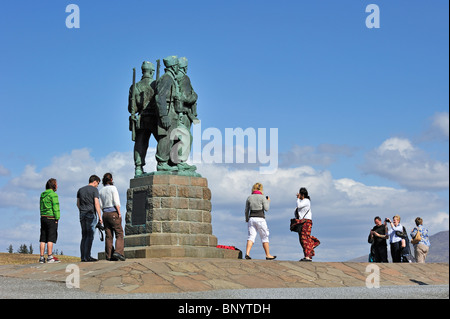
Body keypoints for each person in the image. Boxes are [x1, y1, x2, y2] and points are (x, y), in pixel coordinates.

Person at [128, 61, 158, 176]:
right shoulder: (156, 84)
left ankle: (138, 167)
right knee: (162, 141)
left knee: (140, 144)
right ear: (152, 71)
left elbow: (132, 109)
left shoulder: (135, 86)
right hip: (154, 119)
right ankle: (162, 163)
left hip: (141, 119)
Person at [244, 183, 276, 260]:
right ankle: (268, 254)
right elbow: (266, 209)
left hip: (251, 218)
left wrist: (247, 218)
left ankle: (247, 253)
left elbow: (246, 210)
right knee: (264, 236)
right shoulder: (262, 198)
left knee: (251, 236)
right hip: (260, 219)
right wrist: (268, 201)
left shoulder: (249, 197)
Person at [99, 173, 125, 261]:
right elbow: (116, 201)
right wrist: (119, 213)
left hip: (105, 213)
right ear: (111, 180)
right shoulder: (113, 188)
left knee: (108, 236)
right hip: (113, 212)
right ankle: (118, 252)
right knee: (119, 233)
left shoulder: (101, 190)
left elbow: (101, 204)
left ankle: (109, 255)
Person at [77, 175, 103, 262]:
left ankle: (83, 257)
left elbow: (78, 204)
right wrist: (100, 216)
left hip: (82, 214)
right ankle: (87, 256)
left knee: (84, 236)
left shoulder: (80, 190)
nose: (97, 185)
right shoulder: (94, 190)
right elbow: (96, 203)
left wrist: (82, 211)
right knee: (90, 235)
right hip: (90, 214)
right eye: (98, 183)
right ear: (94, 181)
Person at [39, 178, 61, 263]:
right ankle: (49, 257)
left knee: (43, 238)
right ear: (53, 185)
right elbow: (56, 207)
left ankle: (41, 257)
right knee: (50, 238)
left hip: (43, 217)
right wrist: (57, 218)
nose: (57, 186)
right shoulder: (53, 195)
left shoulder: (42, 194)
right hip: (51, 217)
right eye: (56, 184)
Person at [296, 187, 320, 261]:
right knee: (302, 239)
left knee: (305, 238)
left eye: (299, 194)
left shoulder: (306, 201)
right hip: (302, 222)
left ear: (302, 194)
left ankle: (308, 255)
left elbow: (298, 206)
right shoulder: (303, 201)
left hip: (306, 222)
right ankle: (307, 255)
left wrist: (298, 198)